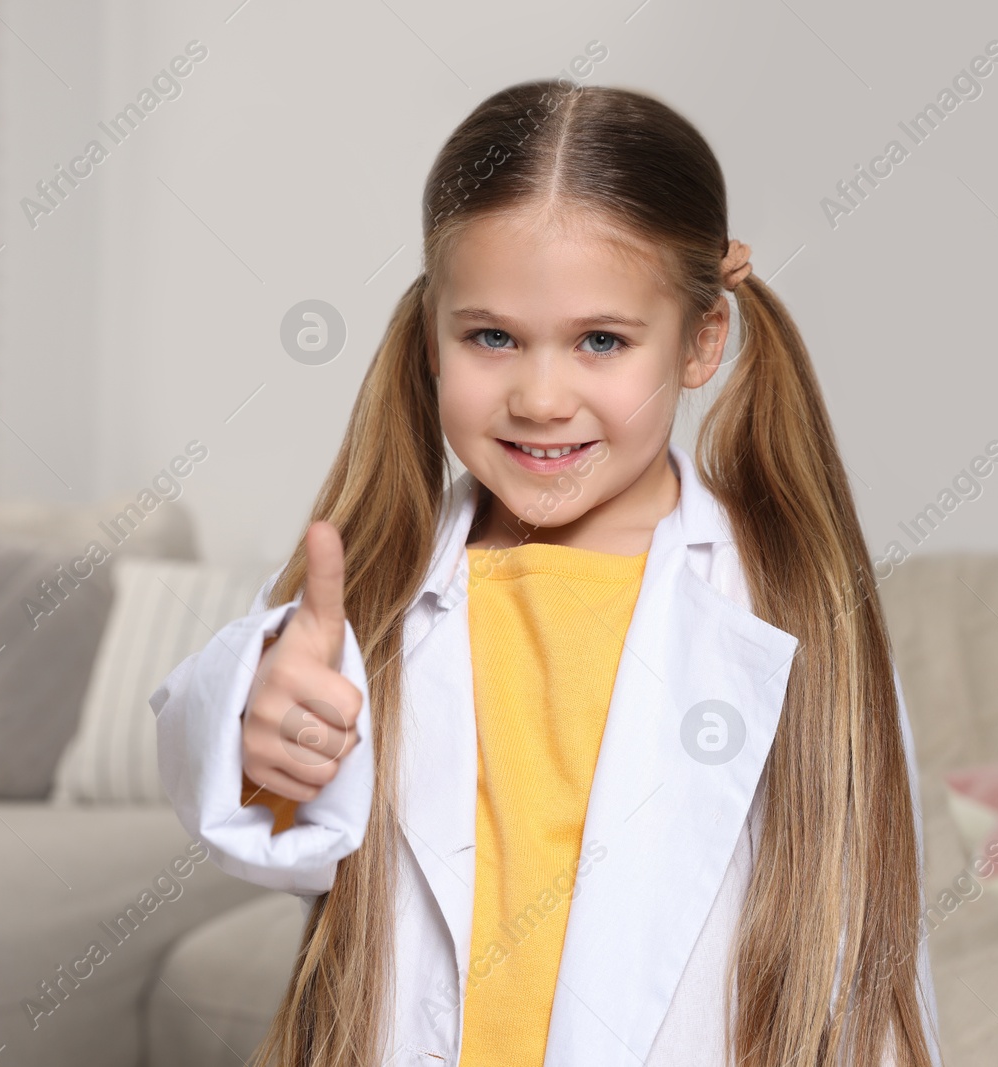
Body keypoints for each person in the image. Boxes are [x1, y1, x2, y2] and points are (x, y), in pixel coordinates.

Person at [152, 78, 941, 1067]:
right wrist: (257, 730)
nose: (537, 396)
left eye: (600, 341)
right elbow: (257, 813)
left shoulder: (793, 616)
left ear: (702, 341)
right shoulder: (372, 592)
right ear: (431, 334)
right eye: (491, 337)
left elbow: (872, 979)